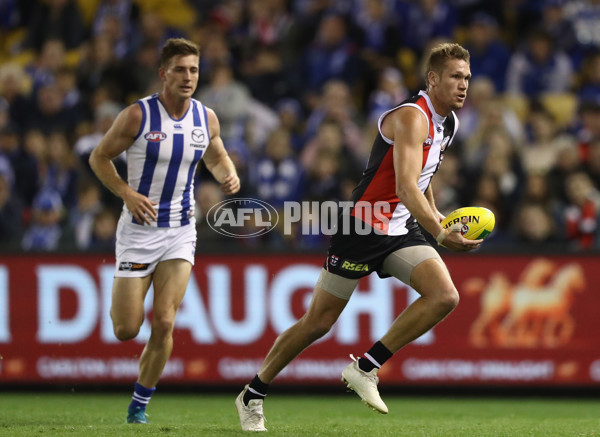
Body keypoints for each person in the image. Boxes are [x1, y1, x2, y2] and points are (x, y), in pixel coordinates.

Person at [235, 42, 481, 432]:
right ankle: (252, 394)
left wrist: (436, 216)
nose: (464, 84)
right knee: (317, 322)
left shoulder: (448, 122)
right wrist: (438, 231)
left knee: (444, 295)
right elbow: (404, 186)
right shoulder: (412, 118)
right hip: (362, 228)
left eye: (467, 77)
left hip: (400, 228)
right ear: (433, 79)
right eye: (455, 76)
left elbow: (423, 177)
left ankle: (365, 367)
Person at [89, 38, 240, 424]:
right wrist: (126, 193)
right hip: (139, 232)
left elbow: (216, 152)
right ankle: (125, 301)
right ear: (163, 74)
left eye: (193, 70)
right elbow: (99, 156)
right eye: (180, 70)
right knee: (125, 329)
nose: (188, 77)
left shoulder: (205, 118)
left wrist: (228, 174)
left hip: (180, 231)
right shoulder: (137, 116)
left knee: (166, 320)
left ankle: (140, 404)